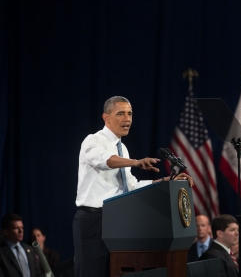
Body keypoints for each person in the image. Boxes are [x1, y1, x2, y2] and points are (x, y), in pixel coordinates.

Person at [73, 96, 194, 277]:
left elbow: (132, 186)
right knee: (93, 272)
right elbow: (106, 160)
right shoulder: (93, 141)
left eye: (130, 113)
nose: (127, 119)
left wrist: (166, 181)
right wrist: (136, 163)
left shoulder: (123, 148)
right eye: (120, 113)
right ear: (105, 117)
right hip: (94, 220)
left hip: (118, 221)